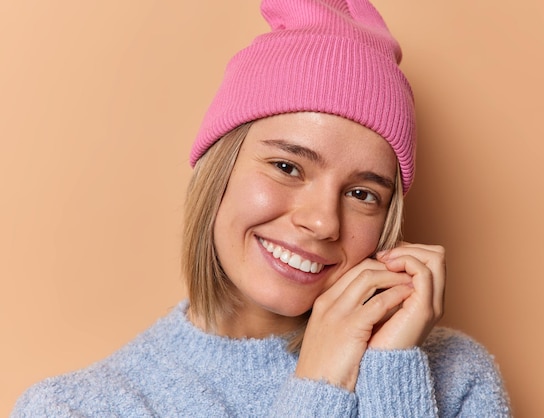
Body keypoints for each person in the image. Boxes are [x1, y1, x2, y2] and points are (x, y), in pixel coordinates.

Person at [12, 0, 511, 416]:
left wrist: (388, 374)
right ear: (220, 171)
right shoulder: (77, 408)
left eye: (363, 194)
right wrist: (318, 387)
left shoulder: (453, 376)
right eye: (288, 167)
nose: (321, 221)